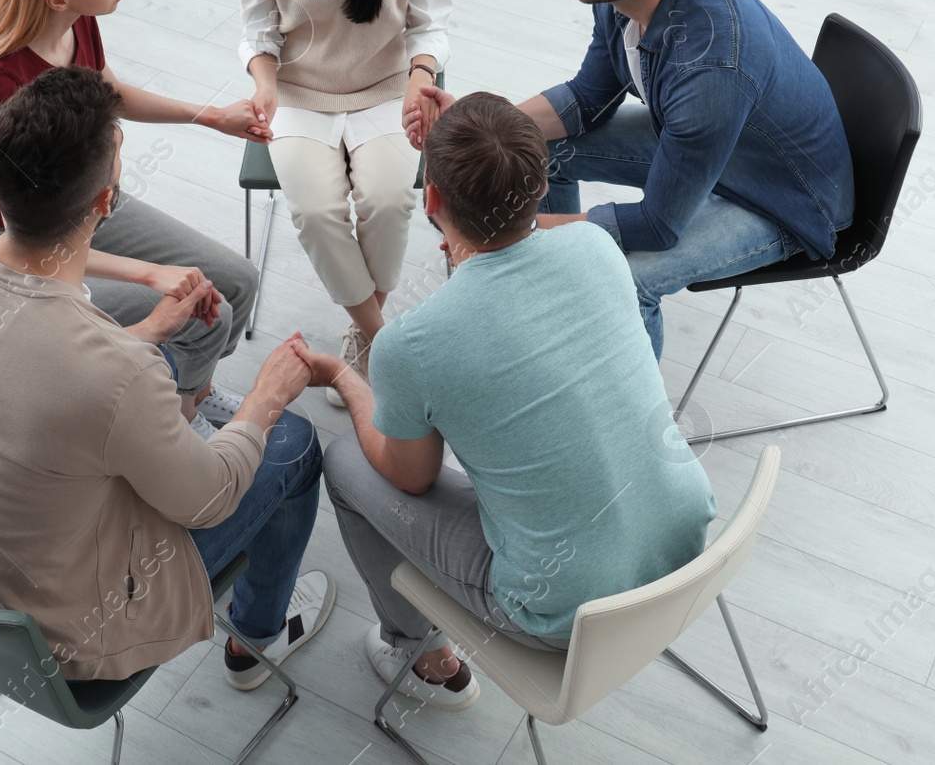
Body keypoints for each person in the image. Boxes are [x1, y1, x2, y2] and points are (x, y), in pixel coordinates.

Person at [0, 67, 334, 687]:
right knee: (294, 443)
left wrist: (151, 329)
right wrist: (265, 397)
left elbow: (25, 365)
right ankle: (258, 636)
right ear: (105, 202)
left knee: (159, 389)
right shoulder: (117, 375)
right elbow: (210, 499)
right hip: (71, 637)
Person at [305, 93, 717, 711]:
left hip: (558, 611)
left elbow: (409, 477)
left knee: (344, 460)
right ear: (541, 182)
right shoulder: (598, 250)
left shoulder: (408, 345)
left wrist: (344, 377)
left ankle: (415, 650)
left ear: (433, 201)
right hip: (688, 553)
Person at [404, 0, 855, 359]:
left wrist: (518, 233)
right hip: (705, 146)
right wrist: (478, 123)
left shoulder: (710, 71)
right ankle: (553, 295)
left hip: (778, 199)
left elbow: (658, 227)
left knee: (630, 280)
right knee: (541, 149)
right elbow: (586, 99)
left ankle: (635, 428)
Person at [0, 0, 267, 432]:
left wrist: (210, 116)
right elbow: (24, 230)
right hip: (24, 237)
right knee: (201, 306)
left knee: (236, 280)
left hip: (89, 202)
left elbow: (109, 93)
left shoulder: (78, 23)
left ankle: (195, 387)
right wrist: (148, 271)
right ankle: (184, 428)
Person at [236, 0, 452, 405]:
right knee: (316, 211)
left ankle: (362, 333)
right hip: (301, 96)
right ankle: (380, 337)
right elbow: (258, 33)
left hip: (387, 88)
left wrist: (420, 78)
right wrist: (266, 84)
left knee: (387, 200)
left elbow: (429, 22)